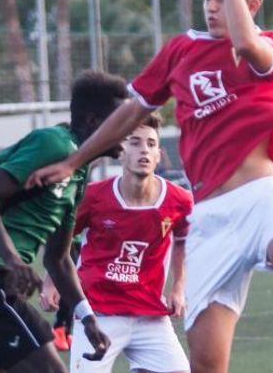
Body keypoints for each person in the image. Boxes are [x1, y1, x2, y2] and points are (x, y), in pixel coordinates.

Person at [27, 0, 273, 373]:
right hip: (209, 220)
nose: (212, 5)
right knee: (205, 362)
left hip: (262, 196)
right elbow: (130, 112)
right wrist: (73, 160)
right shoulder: (181, 50)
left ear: (250, 4)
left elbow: (245, 42)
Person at [0, 70, 127, 373]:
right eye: (121, 121)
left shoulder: (77, 173)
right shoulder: (55, 144)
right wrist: (13, 259)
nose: (128, 129)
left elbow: (58, 259)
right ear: (95, 122)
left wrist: (87, 317)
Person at [39, 113, 192, 373]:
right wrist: (50, 280)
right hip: (98, 314)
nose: (143, 150)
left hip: (149, 316)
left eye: (151, 144)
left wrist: (178, 287)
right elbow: (57, 243)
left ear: (158, 155)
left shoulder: (179, 200)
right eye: (135, 142)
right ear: (121, 151)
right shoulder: (93, 196)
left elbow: (182, 240)